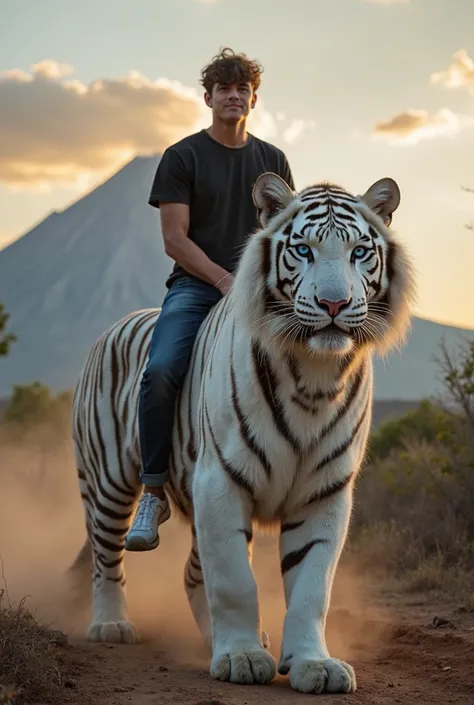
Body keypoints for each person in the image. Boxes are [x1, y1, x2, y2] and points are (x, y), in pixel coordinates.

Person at [125, 47, 295, 552]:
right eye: (224, 89)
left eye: (242, 89)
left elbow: (286, 234)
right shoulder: (183, 157)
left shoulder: (274, 161)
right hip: (199, 288)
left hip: (261, 293)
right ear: (208, 97)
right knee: (160, 372)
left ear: (253, 98)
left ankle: (299, 485)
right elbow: (174, 239)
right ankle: (153, 490)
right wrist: (223, 281)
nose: (233, 96)